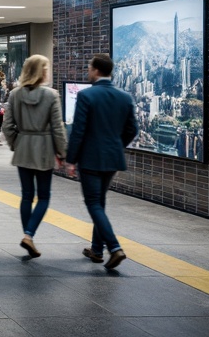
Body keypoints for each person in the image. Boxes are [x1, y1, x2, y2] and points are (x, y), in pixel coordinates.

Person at [66, 53, 137, 269]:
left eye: (89, 68)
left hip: (90, 159)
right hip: (112, 159)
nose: (88, 72)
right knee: (100, 202)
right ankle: (97, 250)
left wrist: (71, 159)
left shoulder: (87, 96)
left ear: (96, 70)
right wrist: (116, 146)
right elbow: (132, 129)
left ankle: (114, 248)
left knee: (93, 203)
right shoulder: (125, 97)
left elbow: (78, 131)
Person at [2, 55, 66, 258]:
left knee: (26, 195)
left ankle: (27, 236)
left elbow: (7, 125)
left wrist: (16, 144)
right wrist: (62, 152)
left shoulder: (15, 94)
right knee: (44, 196)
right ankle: (29, 235)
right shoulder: (51, 95)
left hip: (24, 146)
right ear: (41, 71)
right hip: (44, 148)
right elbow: (57, 127)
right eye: (46, 68)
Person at [0, 75, 11, 146]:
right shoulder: (2, 91)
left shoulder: (7, 92)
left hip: (4, 108)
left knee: (1, 122)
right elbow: (1, 100)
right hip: (2, 109)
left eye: (4, 84)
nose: (3, 85)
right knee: (0, 122)